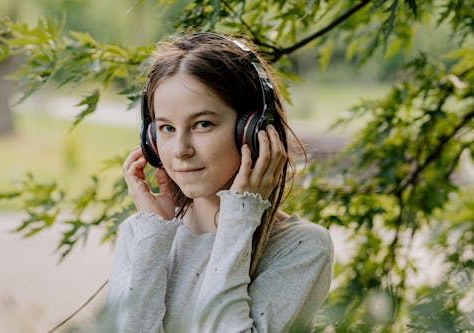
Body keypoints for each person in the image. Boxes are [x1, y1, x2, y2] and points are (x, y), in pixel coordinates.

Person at [105, 32, 334, 333]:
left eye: (203, 124)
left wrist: (239, 218)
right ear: (150, 138)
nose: (180, 149)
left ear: (252, 130)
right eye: (167, 128)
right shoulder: (141, 234)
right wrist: (154, 235)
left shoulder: (301, 247)